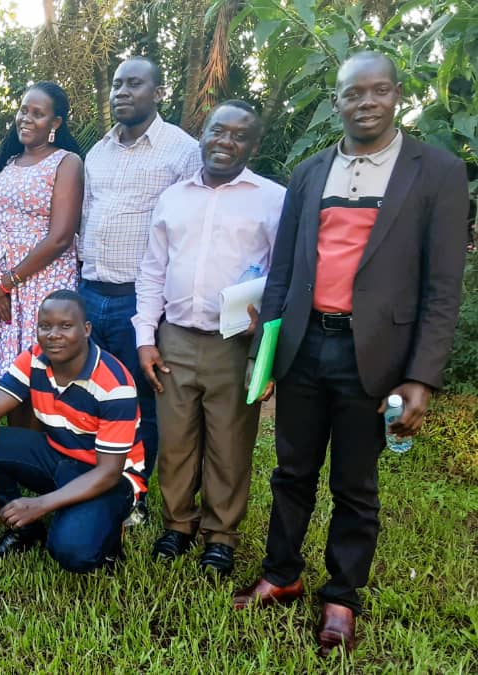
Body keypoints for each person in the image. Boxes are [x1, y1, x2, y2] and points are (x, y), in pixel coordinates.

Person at [232, 52, 469, 656]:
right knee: (290, 472)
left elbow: (443, 286)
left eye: (379, 91)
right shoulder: (310, 172)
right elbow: (283, 270)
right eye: (352, 94)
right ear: (336, 101)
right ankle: (282, 574)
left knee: (355, 484)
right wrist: (267, 353)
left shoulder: (436, 171)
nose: (366, 102)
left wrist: (422, 377)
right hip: (305, 345)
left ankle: (342, 597)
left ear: (397, 96)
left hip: (377, 355)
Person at [132, 101, 285, 576]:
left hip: (234, 341)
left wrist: (268, 346)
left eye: (240, 136)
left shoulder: (273, 198)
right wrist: (145, 336)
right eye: (218, 131)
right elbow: (153, 269)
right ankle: (178, 524)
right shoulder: (174, 197)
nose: (226, 142)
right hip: (175, 337)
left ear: (254, 145)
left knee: (229, 443)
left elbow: (284, 275)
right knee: (176, 441)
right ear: (203, 134)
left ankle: (221, 535)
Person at [79, 57, 201, 526]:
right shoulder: (97, 153)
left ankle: (136, 493)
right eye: (116, 84)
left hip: (142, 299)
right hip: (92, 291)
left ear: (158, 91)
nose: (122, 92)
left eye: (134, 83)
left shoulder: (183, 151)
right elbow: (87, 219)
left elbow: (188, 231)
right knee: (96, 392)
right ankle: (95, 479)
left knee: (140, 398)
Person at [0, 290, 146, 572]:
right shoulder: (34, 358)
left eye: (65, 326)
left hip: (108, 477)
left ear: (86, 330)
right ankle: (24, 529)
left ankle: (108, 530)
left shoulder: (114, 383)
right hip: (58, 454)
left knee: (74, 553)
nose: (53, 335)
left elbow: (109, 472)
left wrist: (41, 504)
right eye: (45, 326)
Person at [0, 82, 83, 416]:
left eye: (38, 114)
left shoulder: (67, 162)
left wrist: (7, 281)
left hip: (44, 283)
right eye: (24, 110)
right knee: (14, 381)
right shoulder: (8, 163)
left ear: (55, 123)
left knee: (46, 383)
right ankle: (19, 459)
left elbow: (61, 236)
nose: (27, 118)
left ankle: (46, 459)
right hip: (6, 289)